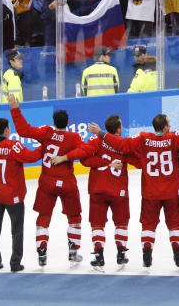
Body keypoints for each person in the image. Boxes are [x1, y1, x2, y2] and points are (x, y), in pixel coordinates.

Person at [86, 112, 179, 268]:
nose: (170, 126)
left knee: (149, 225)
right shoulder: (174, 137)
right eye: (168, 124)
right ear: (164, 128)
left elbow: (121, 145)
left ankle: (147, 254)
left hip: (150, 191)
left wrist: (100, 133)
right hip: (172, 191)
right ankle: (177, 253)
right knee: (175, 224)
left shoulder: (143, 137)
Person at [6, 95, 86, 268]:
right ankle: (73, 252)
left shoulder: (46, 133)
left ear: (54, 122)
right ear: (68, 122)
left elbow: (24, 130)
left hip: (47, 182)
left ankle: (41, 252)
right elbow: (84, 151)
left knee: (44, 217)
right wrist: (66, 157)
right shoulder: (73, 137)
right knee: (74, 217)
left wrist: (15, 109)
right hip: (67, 183)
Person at [51, 114, 133, 270]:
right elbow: (139, 161)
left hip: (98, 189)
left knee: (97, 225)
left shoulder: (96, 141)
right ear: (118, 130)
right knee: (121, 224)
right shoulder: (124, 145)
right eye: (121, 126)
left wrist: (65, 158)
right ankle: (121, 254)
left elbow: (83, 158)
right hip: (119, 191)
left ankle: (99, 256)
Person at [0, 116, 44, 272]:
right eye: (9, 127)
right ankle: (15, 263)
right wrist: (45, 147)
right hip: (12, 196)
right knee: (16, 229)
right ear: (6, 130)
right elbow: (31, 157)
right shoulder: (12, 146)